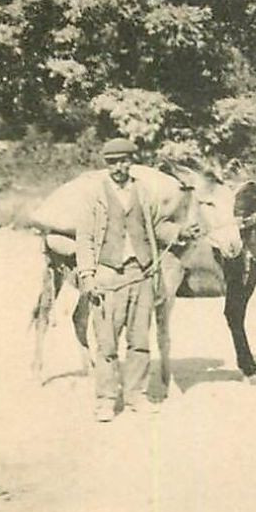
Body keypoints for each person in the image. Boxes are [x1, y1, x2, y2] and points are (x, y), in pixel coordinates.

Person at [74, 137, 175, 422]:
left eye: (125, 160)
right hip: (108, 275)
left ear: (132, 162)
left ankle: (135, 395)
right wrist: (87, 275)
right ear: (107, 164)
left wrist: (156, 268)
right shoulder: (95, 194)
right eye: (114, 162)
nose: (120, 166)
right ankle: (106, 400)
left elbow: (152, 229)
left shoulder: (143, 192)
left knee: (140, 340)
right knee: (106, 342)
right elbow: (85, 238)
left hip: (141, 273)